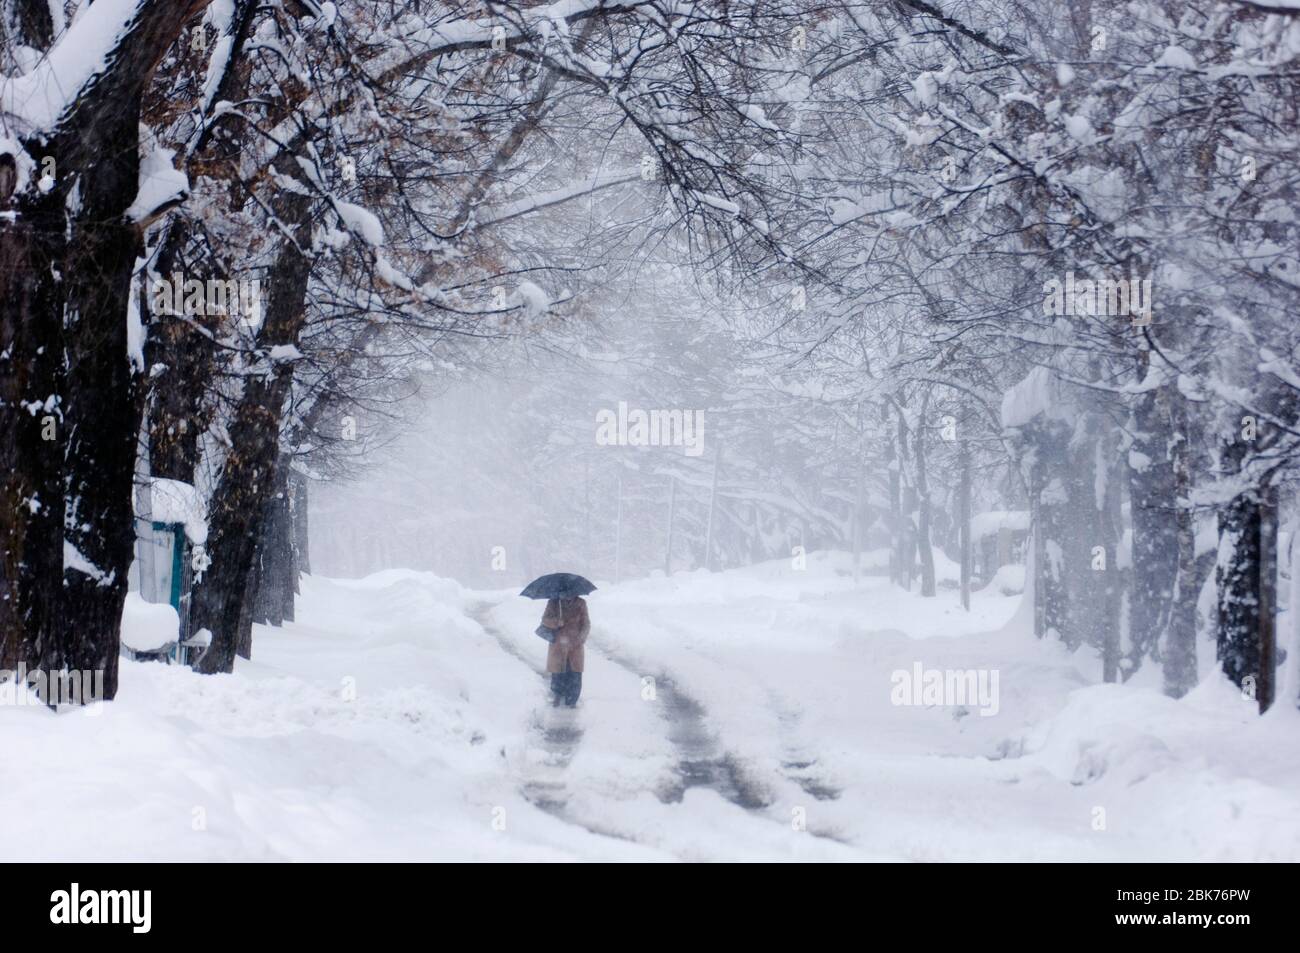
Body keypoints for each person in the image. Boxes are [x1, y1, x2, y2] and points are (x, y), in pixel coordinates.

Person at [541, 595, 589, 707]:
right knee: (558, 672)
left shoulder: (581, 603)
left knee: (575, 673)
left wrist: (581, 638)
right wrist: (557, 622)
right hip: (558, 644)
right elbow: (545, 620)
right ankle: (557, 696)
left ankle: (572, 700)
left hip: (575, 645)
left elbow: (586, 623)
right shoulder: (553, 602)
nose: (568, 593)